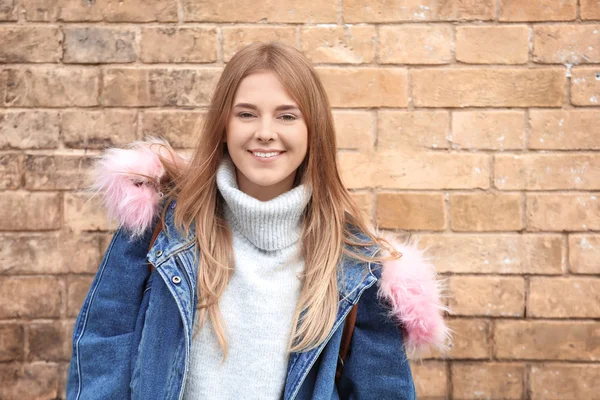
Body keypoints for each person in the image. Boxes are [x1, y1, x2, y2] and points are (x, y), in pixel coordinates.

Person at [66, 42, 450, 400]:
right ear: (224, 125)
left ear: (312, 129)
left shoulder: (357, 264)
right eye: (247, 114)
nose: (265, 133)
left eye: (286, 116)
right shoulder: (162, 227)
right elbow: (103, 347)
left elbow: (381, 391)